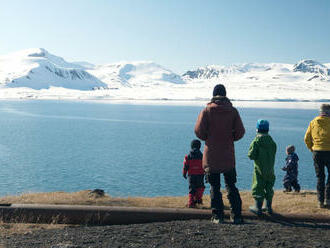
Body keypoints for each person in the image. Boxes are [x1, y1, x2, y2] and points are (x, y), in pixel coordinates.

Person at [194, 84, 245, 224]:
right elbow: (240, 132)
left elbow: (198, 131)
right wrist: (230, 138)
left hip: (212, 155)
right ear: (225, 94)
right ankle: (237, 216)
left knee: (214, 186)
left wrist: (209, 138)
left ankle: (218, 216)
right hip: (228, 154)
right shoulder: (233, 111)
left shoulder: (206, 111)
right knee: (231, 185)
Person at [248, 119, 277, 215]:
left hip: (259, 169)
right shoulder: (272, 142)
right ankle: (268, 207)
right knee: (269, 187)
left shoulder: (256, 141)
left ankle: (258, 207)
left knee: (258, 187)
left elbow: (251, 155)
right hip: (270, 169)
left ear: (257, 129)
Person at [304, 104, 330, 208]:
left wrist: (312, 148)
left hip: (317, 152)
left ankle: (320, 201)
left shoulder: (313, 122)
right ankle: (328, 199)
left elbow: (306, 138)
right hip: (329, 151)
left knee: (320, 177)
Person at [183, 139, 205, 208]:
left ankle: (191, 203)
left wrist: (184, 173)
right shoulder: (203, 156)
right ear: (199, 147)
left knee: (192, 189)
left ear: (191, 147)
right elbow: (205, 166)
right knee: (200, 187)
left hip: (191, 175)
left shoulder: (188, 156)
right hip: (200, 175)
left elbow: (185, 166)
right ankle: (198, 200)